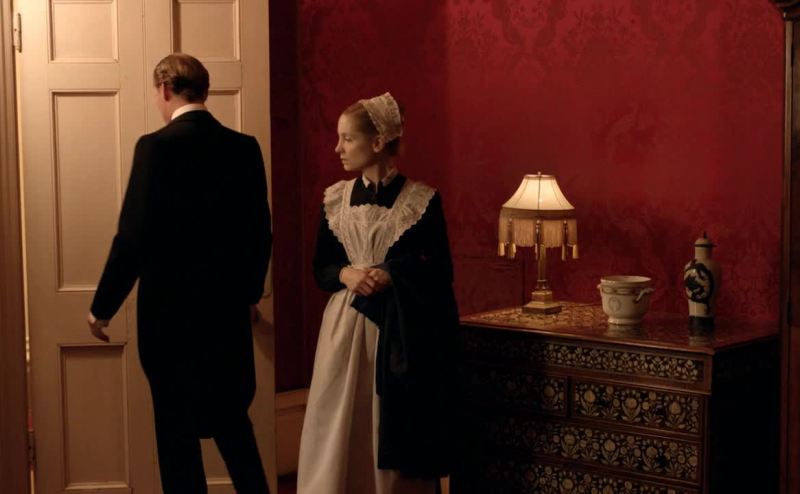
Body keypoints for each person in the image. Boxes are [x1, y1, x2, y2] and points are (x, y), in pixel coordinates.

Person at [87, 53, 271, 493]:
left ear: (166, 89)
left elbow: (132, 237)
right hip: (224, 318)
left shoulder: (155, 147)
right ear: (203, 90)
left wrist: (102, 307)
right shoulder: (244, 148)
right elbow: (259, 233)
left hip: (168, 322)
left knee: (177, 441)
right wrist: (247, 295)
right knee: (235, 430)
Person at [297, 92, 460, 494]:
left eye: (347, 139)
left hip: (397, 328)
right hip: (344, 326)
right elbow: (321, 268)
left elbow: (440, 269)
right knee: (339, 414)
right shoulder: (335, 199)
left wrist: (391, 273)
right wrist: (347, 274)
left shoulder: (421, 200)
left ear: (377, 142)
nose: (338, 148)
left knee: (391, 414)